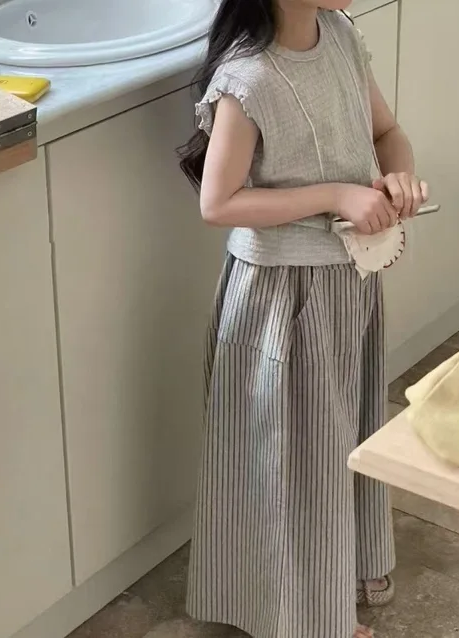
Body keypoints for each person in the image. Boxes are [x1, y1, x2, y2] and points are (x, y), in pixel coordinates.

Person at [178, 1, 429, 637]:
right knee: (293, 461)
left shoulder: (340, 34)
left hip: (347, 282)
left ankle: (332, 585)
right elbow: (217, 203)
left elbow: (386, 131)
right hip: (281, 301)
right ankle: (309, 620)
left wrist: (399, 175)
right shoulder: (250, 78)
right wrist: (337, 195)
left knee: (337, 440)